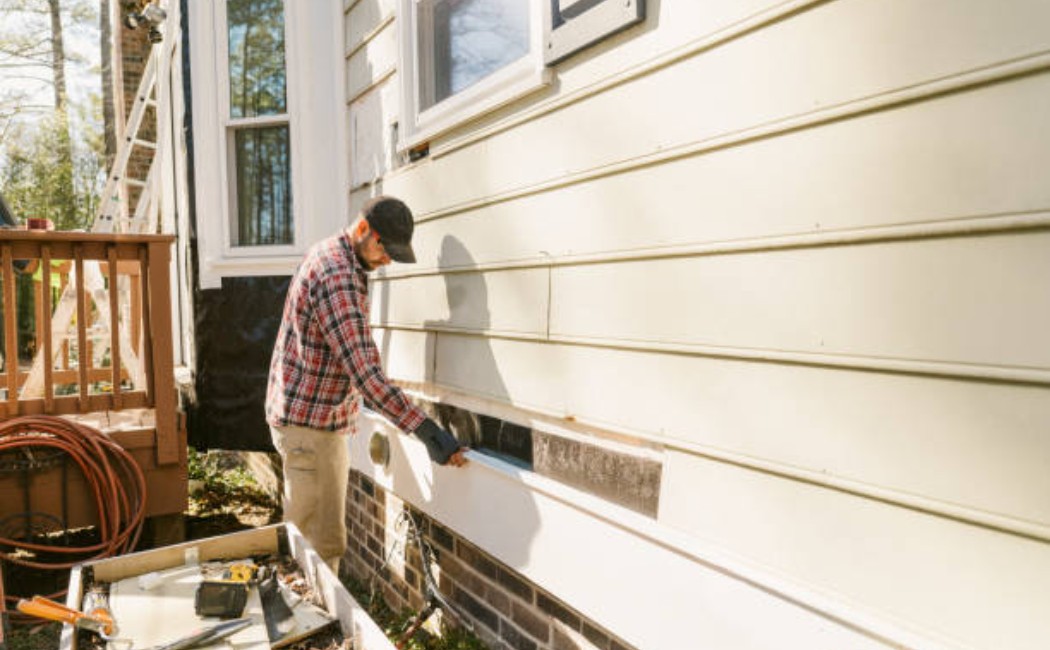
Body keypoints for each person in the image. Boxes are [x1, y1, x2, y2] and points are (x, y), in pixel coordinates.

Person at [266, 195, 467, 572]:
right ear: (362, 230)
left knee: (313, 543)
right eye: (383, 249)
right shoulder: (338, 277)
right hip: (310, 432)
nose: (387, 260)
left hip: (305, 421)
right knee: (318, 550)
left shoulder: (331, 254)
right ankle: (310, 624)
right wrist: (428, 433)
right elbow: (367, 376)